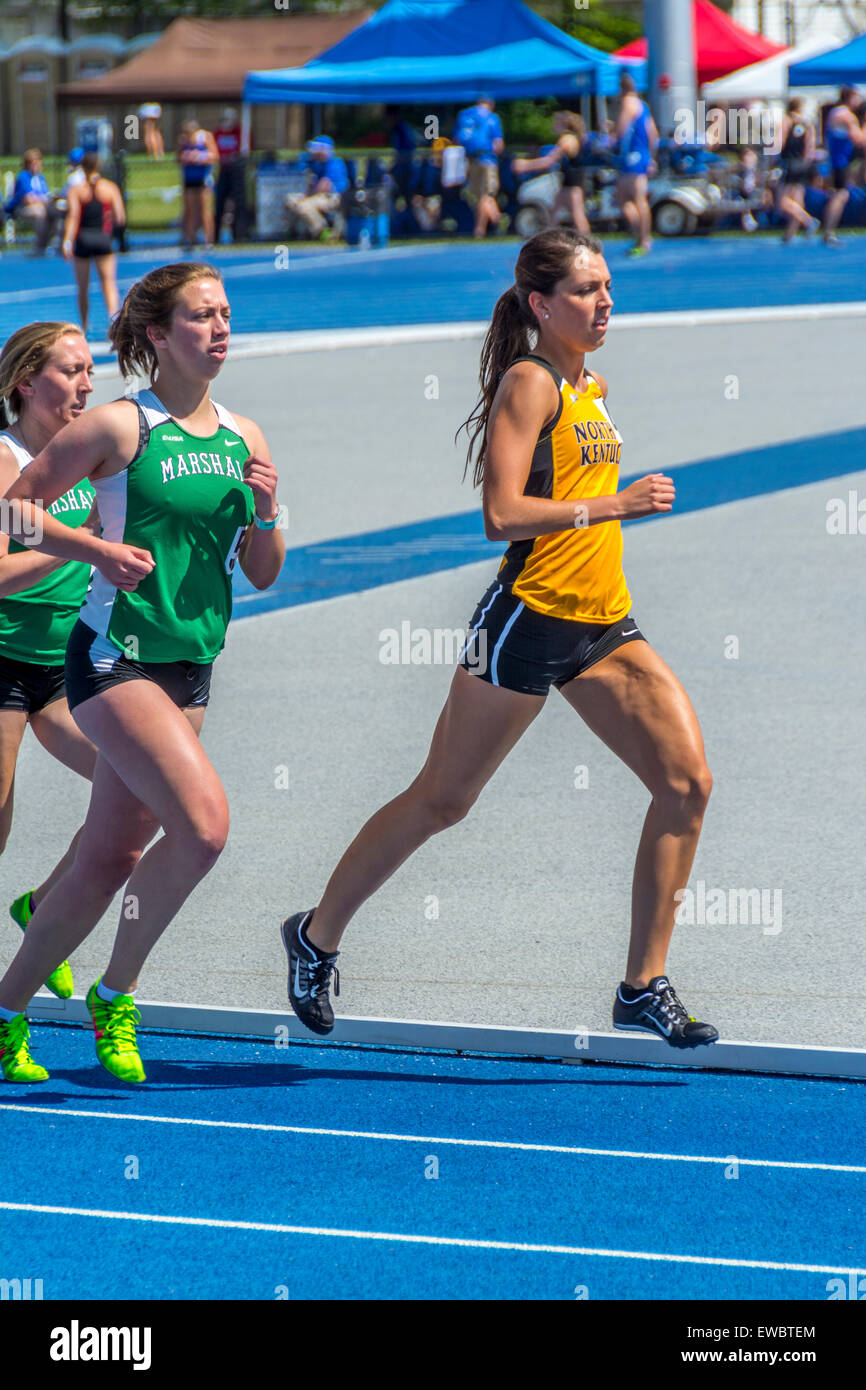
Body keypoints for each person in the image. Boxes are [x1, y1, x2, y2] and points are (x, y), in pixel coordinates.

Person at [280, 227, 718, 1053]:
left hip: (600, 622)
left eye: (608, 289)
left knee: (687, 784)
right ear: (540, 304)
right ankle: (316, 934)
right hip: (526, 618)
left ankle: (641, 984)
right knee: (443, 799)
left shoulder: (588, 384)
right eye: (587, 292)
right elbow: (500, 516)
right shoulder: (531, 382)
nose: (605, 304)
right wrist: (616, 504)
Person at [0, 261, 285, 1085]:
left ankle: (8, 1009)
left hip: (192, 665)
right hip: (111, 658)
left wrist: (265, 510)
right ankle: (115, 995)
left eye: (227, 313)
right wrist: (94, 550)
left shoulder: (246, 436)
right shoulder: (122, 429)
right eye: (202, 315)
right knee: (203, 828)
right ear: (157, 335)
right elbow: (19, 509)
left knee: (108, 858)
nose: (221, 327)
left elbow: (263, 572)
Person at [0, 323, 99, 1011]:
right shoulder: (6, 462)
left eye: (92, 369)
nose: (89, 383)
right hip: (3, 662)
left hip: (66, 667)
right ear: (26, 383)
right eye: (72, 371)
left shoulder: (89, 456)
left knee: (139, 791)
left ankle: (43, 907)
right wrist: (77, 544)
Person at [61, 153, 126, 337]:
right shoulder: (109, 188)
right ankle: (113, 320)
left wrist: (67, 241)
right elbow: (120, 216)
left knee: (83, 287)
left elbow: (73, 216)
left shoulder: (76, 189)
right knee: (109, 283)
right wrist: (109, 230)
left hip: (83, 239)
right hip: (102, 238)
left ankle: (83, 325)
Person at [512, 111, 591, 234]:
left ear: (563, 124)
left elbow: (549, 161)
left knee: (578, 217)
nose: (553, 126)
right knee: (553, 215)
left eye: (556, 123)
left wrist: (525, 165)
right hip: (566, 184)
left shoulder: (567, 139)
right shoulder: (570, 138)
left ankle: (590, 247)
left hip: (573, 185)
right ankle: (549, 244)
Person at [615, 74, 658, 257]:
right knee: (626, 197)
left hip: (632, 156)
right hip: (641, 155)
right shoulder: (643, 105)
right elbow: (653, 134)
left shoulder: (628, 103)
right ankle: (642, 236)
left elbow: (621, 129)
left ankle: (643, 238)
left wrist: (611, 134)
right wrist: (651, 157)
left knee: (632, 198)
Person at [454, 96, 505, 239]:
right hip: (487, 159)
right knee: (487, 195)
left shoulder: (464, 115)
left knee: (479, 196)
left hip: (470, 160)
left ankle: (497, 222)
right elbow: (498, 144)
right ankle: (481, 229)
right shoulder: (492, 117)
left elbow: (457, 139)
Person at [821, 87, 864, 247]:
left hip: (837, 160)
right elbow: (859, 139)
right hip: (840, 161)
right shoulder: (846, 115)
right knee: (840, 196)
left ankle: (828, 230)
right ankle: (828, 230)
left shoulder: (835, 113)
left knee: (840, 195)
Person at [285, 137, 349, 240]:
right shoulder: (316, 163)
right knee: (291, 200)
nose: (314, 152)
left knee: (303, 205)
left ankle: (322, 230)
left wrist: (306, 197)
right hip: (316, 195)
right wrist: (306, 195)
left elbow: (324, 186)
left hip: (332, 197)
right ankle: (295, 231)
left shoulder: (334, 163)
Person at [4, 150, 62, 256]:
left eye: (38, 162)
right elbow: (28, 199)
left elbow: (46, 196)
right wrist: (44, 201)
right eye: (34, 163)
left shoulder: (40, 178)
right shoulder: (23, 176)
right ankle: (40, 246)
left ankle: (58, 243)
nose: (37, 165)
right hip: (20, 208)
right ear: (28, 164)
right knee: (40, 211)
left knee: (56, 211)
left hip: (42, 207)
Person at [776, 100, 819, 242]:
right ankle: (790, 233)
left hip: (789, 162)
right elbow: (810, 147)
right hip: (802, 163)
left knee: (782, 201)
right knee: (797, 199)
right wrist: (806, 163)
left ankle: (808, 221)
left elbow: (779, 142)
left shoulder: (787, 120)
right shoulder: (807, 124)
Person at [178, 120, 218, 251]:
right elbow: (178, 158)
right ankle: (191, 239)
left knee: (204, 210)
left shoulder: (205, 138)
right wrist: (185, 157)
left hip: (203, 180)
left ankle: (208, 240)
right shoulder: (184, 142)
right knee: (189, 210)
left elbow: (214, 156)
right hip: (189, 179)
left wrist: (199, 157)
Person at [213, 107, 244, 244]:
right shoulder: (218, 133)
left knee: (237, 205)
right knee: (219, 204)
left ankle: (237, 234)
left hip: (236, 173)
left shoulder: (239, 132)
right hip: (223, 172)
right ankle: (215, 237)